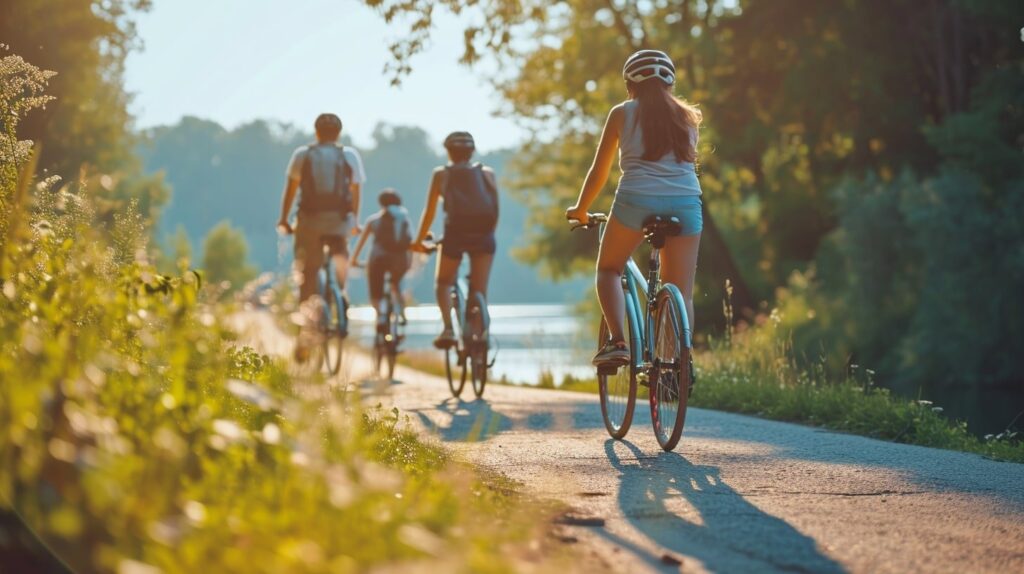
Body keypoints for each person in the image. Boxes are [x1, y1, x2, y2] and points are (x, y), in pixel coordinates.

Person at [565, 50, 703, 367]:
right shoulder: (688, 116)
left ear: (630, 84)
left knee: (608, 269)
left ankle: (618, 342)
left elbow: (600, 171)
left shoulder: (622, 112)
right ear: (670, 82)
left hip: (636, 202)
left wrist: (581, 208)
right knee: (682, 292)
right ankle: (676, 365)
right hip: (686, 204)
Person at [277, 113, 366, 355]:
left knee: (308, 273)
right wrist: (354, 221)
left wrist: (285, 219)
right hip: (339, 222)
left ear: (316, 132)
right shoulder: (348, 155)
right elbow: (356, 191)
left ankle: (305, 335)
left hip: (310, 222)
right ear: (339, 133)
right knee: (340, 258)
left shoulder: (303, 155)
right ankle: (340, 294)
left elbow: (291, 190)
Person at [410, 131, 499, 349]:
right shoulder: (488, 173)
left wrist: (418, 241)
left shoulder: (442, 174)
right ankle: (480, 335)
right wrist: (487, 237)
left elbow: (429, 212)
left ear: (448, 151)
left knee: (443, 282)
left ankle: (448, 328)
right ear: (472, 151)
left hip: (455, 236)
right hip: (484, 237)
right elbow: (495, 210)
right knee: (479, 291)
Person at [352, 188, 413, 332]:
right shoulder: (405, 219)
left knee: (376, 291)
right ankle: (402, 313)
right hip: (399, 260)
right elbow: (410, 243)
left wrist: (354, 260)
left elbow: (360, 244)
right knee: (396, 285)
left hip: (378, 259)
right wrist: (408, 263)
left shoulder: (374, 221)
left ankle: (380, 317)